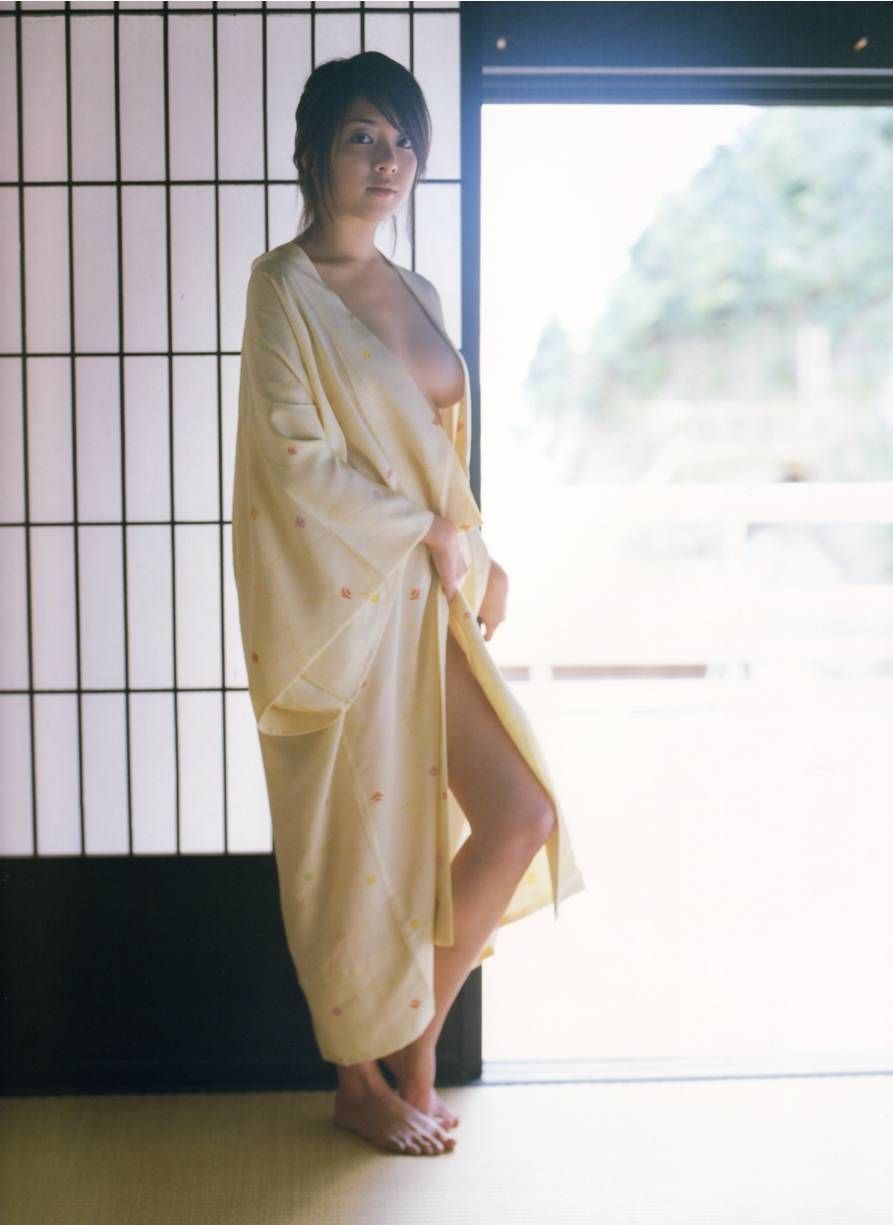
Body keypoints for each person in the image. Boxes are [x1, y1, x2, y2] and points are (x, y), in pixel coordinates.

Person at [231, 51, 585, 1158]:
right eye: (362, 138)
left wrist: (478, 547)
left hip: (431, 597)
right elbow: (295, 462)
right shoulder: (284, 288)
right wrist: (426, 532)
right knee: (355, 845)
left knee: (518, 814)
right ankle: (357, 1080)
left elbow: (437, 455)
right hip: (342, 608)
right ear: (312, 154)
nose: (389, 161)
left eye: (402, 141)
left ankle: (415, 1056)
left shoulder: (418, 292)